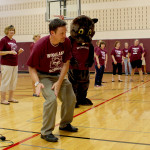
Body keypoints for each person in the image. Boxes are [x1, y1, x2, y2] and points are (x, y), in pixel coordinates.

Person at [27, 19, 78, 142]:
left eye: (65, 32)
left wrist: (60, 82)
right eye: (62, 33)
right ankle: (46, 132)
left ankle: (65, 124)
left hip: (57, 75)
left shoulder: (65, 42)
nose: (65, 36)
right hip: (43, 76)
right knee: (51, 99)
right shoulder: (39, 45)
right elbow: (31, 66)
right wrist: (37, 83)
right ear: (52, 33)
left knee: (70, 98)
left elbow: (66, 63)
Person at [0, 25, 24, 105]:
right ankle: (3, 99)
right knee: (5, 81)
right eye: (10, 30)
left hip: (14, 64)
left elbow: (14, 52)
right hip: (6, 64)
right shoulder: (3, 40)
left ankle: (10, 98)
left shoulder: (14, 40)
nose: (12, 31)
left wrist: (18, 52)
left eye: (13, 30)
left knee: (13, 82)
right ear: (7, 31)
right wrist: (9, 52)